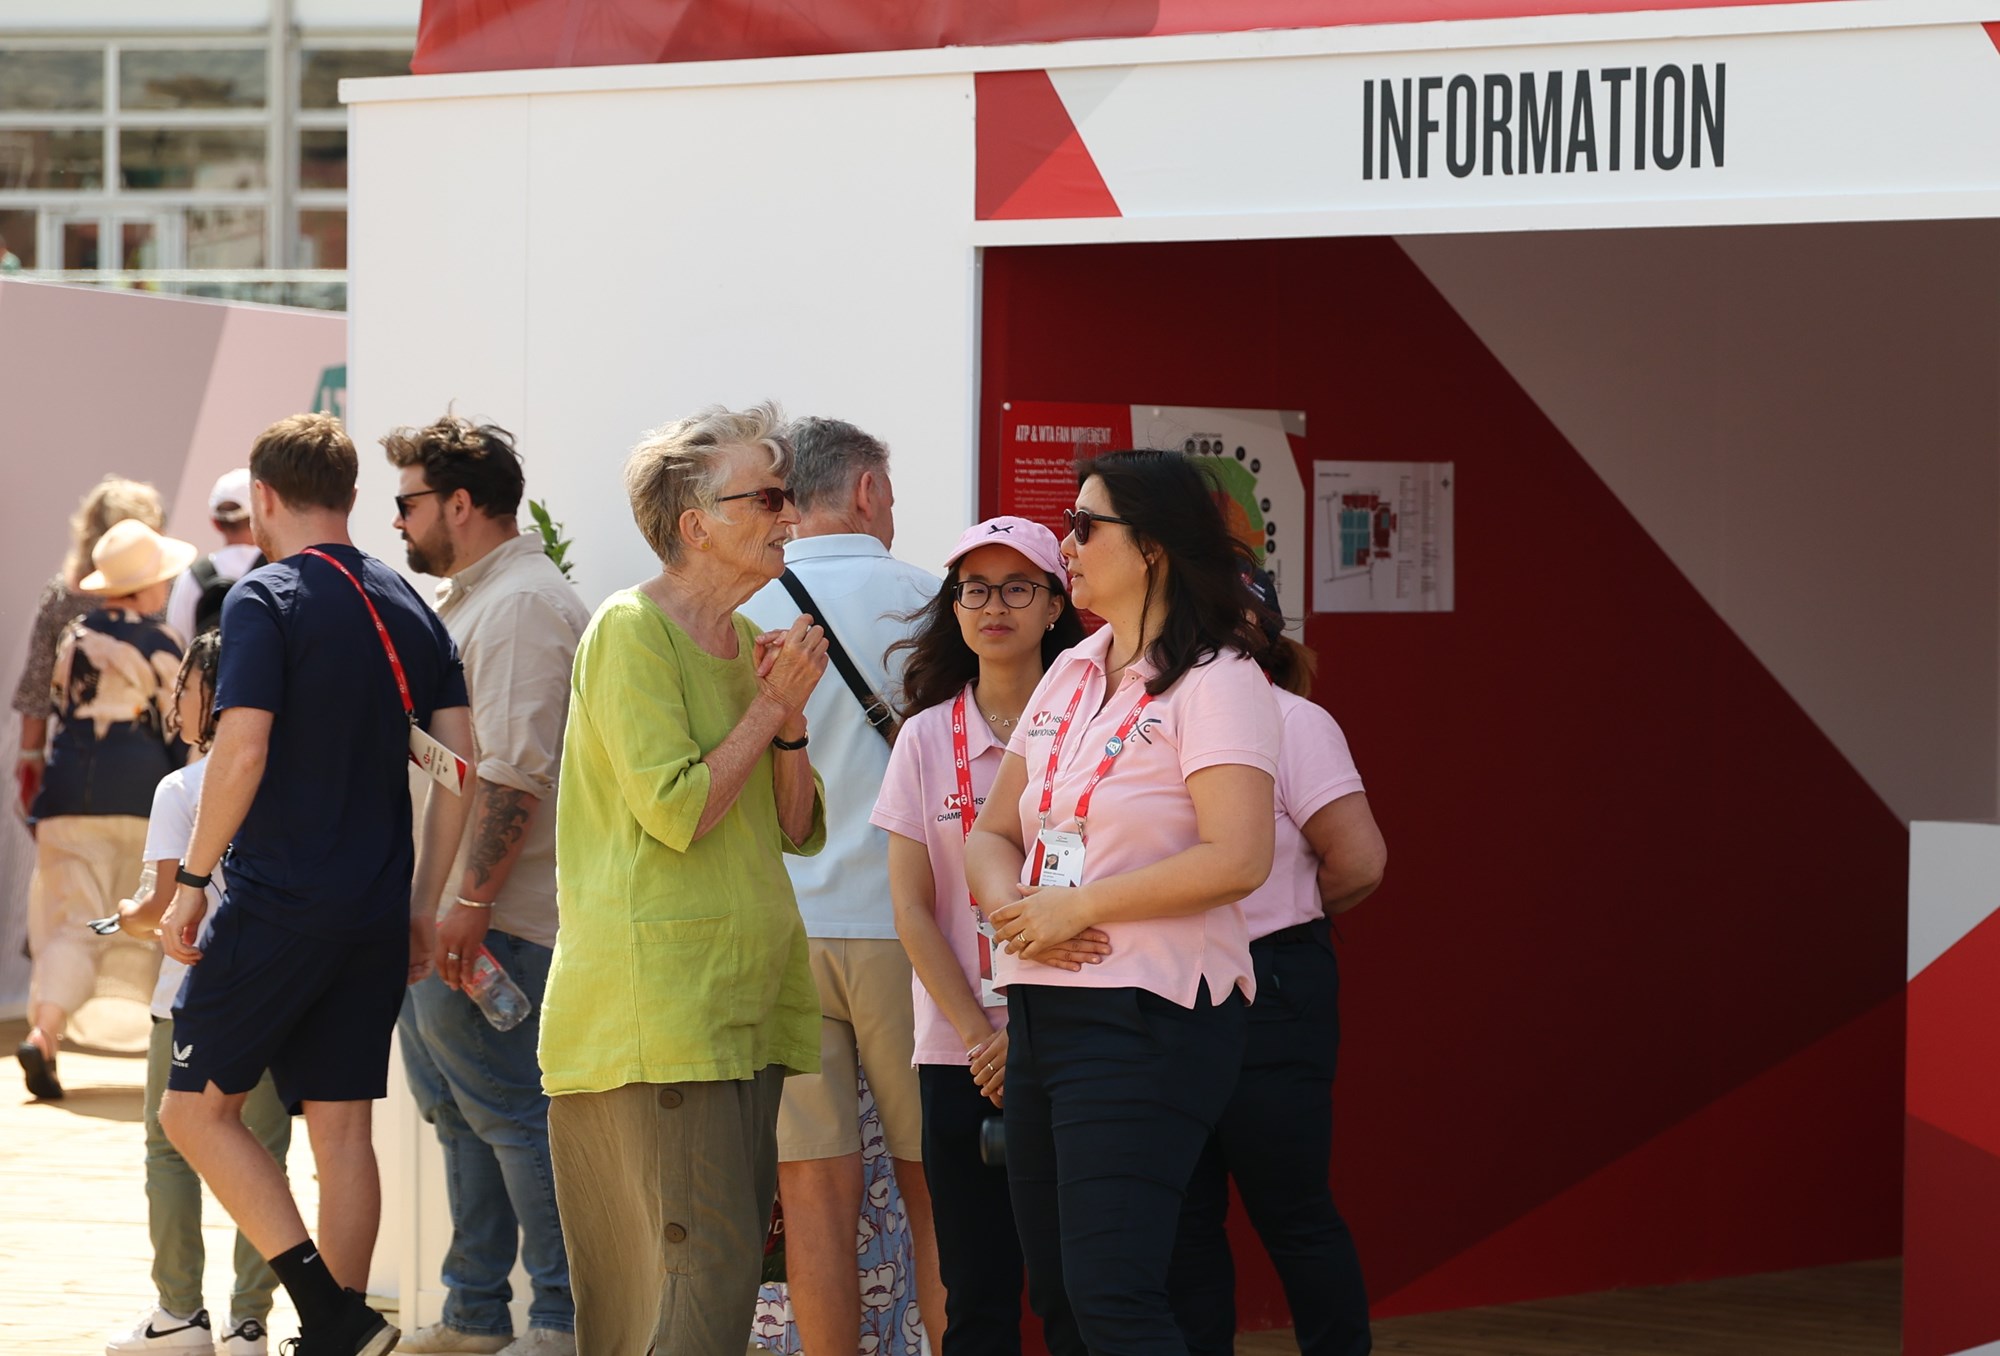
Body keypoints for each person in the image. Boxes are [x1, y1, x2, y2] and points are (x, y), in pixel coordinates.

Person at [156, 412, 474, 1356]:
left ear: (262, 497)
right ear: (352, 496)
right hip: (376, 909)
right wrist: (423, 904)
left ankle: (332, 1318)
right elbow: (465, 768)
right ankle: (335, 1340)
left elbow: (241, 747)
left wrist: (192, 881)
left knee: (191, 1111)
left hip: (281, 899)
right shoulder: (411, 602)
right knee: (343, 1133)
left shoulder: (265, 595)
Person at [963, 448, 1283, 1356]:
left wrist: (1078, 907)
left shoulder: (1219, 679)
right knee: (1063, 1297)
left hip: (1150, 1017)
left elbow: (1240, 856)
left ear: (1152, 548)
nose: (1064, 544)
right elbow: (991, 834)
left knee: (1114, 1297)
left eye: (1083, 525)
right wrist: (1018, 913)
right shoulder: (1070, 669)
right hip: (1043, 1012)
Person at [539, 403, 830, 1356]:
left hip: (739, 1005)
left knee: (722, 1282)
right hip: (659, 1019)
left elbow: (796, 827)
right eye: (769, 497)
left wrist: (788, 720)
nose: (792, 514)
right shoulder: (631, 631)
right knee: (692, 1292)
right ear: (696, 524)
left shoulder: (746, 641)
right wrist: (772, 707)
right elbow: (678, 810)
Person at [383, 415, 589, 1356]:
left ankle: (559, 1320)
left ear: (459, 503)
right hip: (452, 913)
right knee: (463, 1116)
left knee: (511, 1117)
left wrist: (466, 907)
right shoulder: (483, 599)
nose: (398, 521)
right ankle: (475, 1313)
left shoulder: (519, 607)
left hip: (492, 919)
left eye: (407, 502)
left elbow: (512, 774)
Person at [741, 416, 946, 1356]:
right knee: (933, 1184)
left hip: (785, 934)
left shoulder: (745, 609)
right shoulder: (933, 602)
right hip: (905, 932)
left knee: (811, 1191)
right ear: (866, 490)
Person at [870, 516, 1094, 1356]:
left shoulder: (1090, 728)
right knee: (977, 1293)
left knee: (1078, 1290)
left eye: (1017, 588)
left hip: (1071, 1037)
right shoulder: (925, 737)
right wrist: (978, 1038)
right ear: (955, 608)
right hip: (959, 1052)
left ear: (1054, 606)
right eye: (975, 590)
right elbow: (910, 908)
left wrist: (1021, 1037)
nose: (994, 606)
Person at [1166, 571, 1387, 1356]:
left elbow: (1359, 862)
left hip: (1273, 985)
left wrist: (1276, 911)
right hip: (1172, 984)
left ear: (1258, 633)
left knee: (1291, 1210)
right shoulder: (1153, 719)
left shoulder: (1295, 722)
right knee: (1183, 1218)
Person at [110, 631, 293, 1356]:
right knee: (264, 1154)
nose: (176, 698)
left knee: (169, 1150)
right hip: (275, 993)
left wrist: (126, 914)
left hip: (187, 997)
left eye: (185, 686)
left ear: (211, 696)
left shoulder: (182, 787)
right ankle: (251, 1322)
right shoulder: (288, 778)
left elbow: (160, 907)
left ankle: (180, 1313)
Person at [16, 515, 194, 1101]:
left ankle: (44, 1036)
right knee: (150, 916)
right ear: (146, 584)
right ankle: (168, 1056)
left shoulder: (74, 637)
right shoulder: (163, 641)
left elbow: (58, 709)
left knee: (73, 924)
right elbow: (182, 728)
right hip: (141, 795)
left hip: (67, 796)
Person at [14, 476, 165, 819]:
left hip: (72, 766)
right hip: (144, 776)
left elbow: (36, 688)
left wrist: (29, 757)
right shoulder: (159, 599)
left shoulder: (62, 595)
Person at [165, 468, 263, 641]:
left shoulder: (192, 575)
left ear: (215, 523)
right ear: (261, 515)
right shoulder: (281, 567)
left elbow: (177, 639)